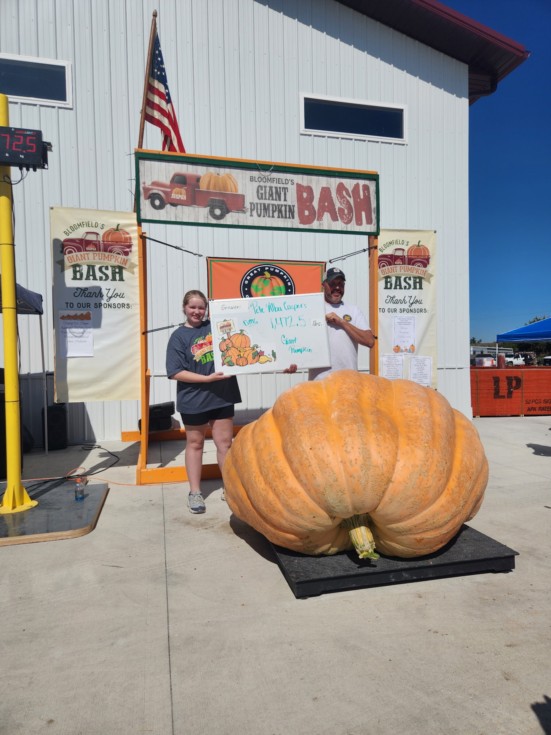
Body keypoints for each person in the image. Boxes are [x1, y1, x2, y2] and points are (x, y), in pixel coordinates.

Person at [166, 290, 241, 514]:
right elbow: (175, 372)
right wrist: (207, 379)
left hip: (222, 395)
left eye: (201, 307)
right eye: (192, 307)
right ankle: (195, 492)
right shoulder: (178, 336)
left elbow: (245, 338)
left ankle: (230, 488)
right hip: (193, 399)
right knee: (195, 444)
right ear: (184, 308)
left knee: (224, 444)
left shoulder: (217, 327)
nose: (197, 312)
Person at [308, 266, 375, 381]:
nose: (337, 287)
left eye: (341, 284)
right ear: (323, 285)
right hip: (319, 382)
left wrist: (341, 322)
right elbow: (299, 342)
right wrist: (292, 363)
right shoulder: (312, 309)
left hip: (348, 381)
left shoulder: (354, 310)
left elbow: (369, 341)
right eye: (332, 284)